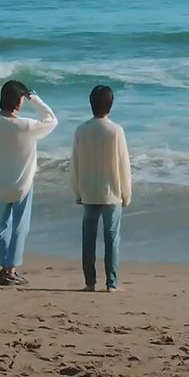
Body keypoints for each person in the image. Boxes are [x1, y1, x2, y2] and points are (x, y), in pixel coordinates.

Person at [0, 79, 58, 285]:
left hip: (0, 181)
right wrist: (35, 98)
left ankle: (3, 266)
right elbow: (51, 119)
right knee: (19, 226)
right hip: (22, 183)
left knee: (4, 225)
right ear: (18, 102)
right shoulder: (25, 126)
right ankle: (10, 269)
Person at [70, 83, 131, 292]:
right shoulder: (116, 131)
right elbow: (123, 164)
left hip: (88, 191)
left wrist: (77, 191)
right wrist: (126, 193)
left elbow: (75, 164)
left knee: (88, 239)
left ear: (91, 104)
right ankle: (111, 283)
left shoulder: (81, 130)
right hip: (111, 193)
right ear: (111, 105)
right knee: (112, 239)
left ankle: (90, 282)